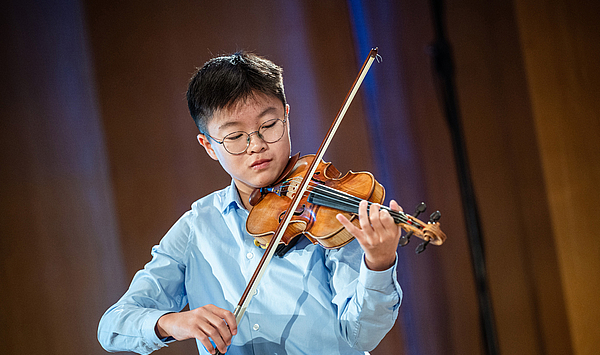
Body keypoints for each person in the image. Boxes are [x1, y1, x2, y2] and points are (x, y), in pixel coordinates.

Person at [98, 52, 403, 355]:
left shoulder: (329, 216)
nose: (256, 145)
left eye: (269, 125)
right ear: (209, 146)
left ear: (286, 116)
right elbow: (112, 326)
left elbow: (362, 334)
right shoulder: (197, 227)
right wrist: (174, 322)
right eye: (234, 136)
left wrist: (378, 264)